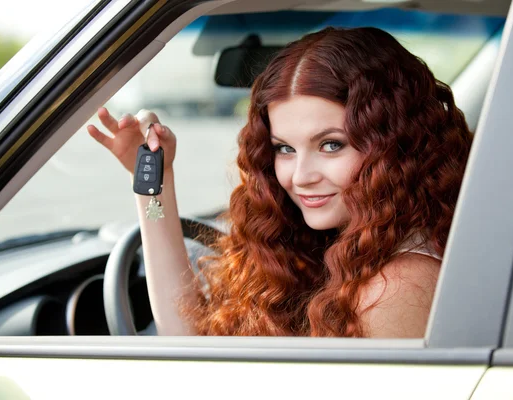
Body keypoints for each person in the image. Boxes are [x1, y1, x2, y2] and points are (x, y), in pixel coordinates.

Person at [87, 26, 473, 337]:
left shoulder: (399, 286)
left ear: (397, 144)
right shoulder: (333, 241)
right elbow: (187, 340)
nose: (300, 177)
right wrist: (155, 181)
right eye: (284, 149)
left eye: (331, 144)